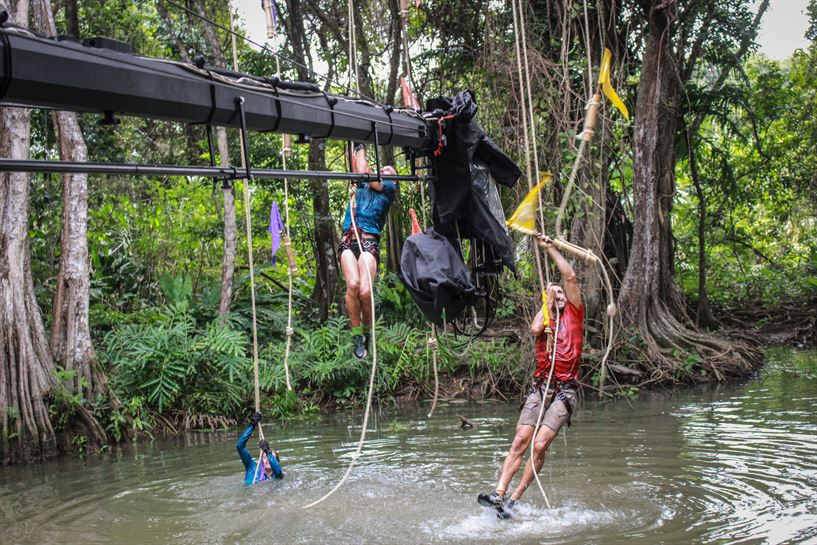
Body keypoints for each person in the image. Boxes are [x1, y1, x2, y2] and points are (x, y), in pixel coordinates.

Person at [478, 235, 584, 518]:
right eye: (554, 294)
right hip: (541, 387)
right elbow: (535, 329)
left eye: (560, 293)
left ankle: (514, 498)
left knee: (539, 445)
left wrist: (549, 249)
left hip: (565, 391)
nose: (559, 296)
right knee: (520, 440)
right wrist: (547, 302)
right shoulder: (545, 320)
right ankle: (498, 494)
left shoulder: (574, 313)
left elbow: (570, 275)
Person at [338, 143, 397, 358]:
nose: (384, 171)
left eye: (388, 171)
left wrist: (362, 143)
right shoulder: (362, 185)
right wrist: (354, 144)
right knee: (352, 284)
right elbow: (358, 167)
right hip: (348, 239)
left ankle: (369, 331)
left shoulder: (389, 188)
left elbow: (365, 170)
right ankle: (356, 335)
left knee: (364, 290)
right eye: (382, 169)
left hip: (368, 243)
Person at [237, 412, 283, 485]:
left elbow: (278, 470)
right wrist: (252, 425)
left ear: (276, 462)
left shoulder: (277, 476)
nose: (267, 460)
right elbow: (240, 446)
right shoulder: (252, 467)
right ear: (261, 460)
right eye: (265, 457)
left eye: (270, 457)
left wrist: (268, 452)